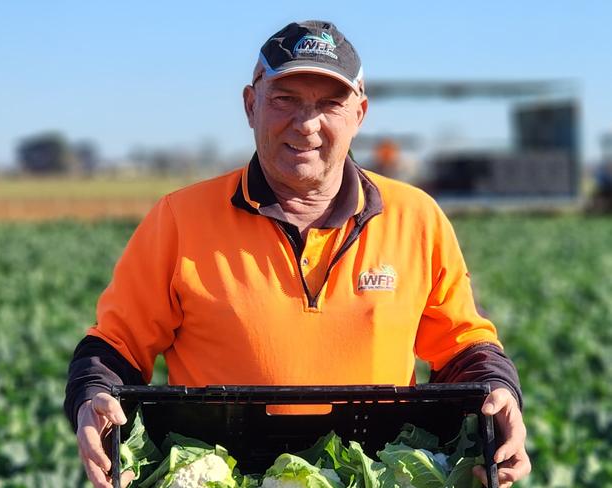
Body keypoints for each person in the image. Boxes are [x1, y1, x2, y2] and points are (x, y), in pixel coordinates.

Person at [65, 20, 531, 488]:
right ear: (251, 105)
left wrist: (499, 391)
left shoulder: (415, 217)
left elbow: (463, 345)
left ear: (360, 114)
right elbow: (116, 346)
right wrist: (94, 394)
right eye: (285, 99)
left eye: (330, 103)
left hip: (374, 472)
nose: (306, 124)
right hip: (224, 471)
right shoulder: (178, 219)